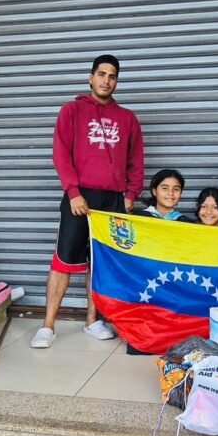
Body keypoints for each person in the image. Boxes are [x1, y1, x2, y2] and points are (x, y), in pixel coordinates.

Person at [32, 54, 145, 349]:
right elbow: (61, 153)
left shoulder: (128, 118)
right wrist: (73, 192)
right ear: (90, 77)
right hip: (79, 196)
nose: (106, 80)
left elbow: (136, 160)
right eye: (102, 74)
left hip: (113, 200)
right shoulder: (72, 111)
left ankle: (92, 321)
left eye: (112, 76)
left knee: (101, 263)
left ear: (117, 81)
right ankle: (47, 325)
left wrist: (130, 195)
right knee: (63, 260)